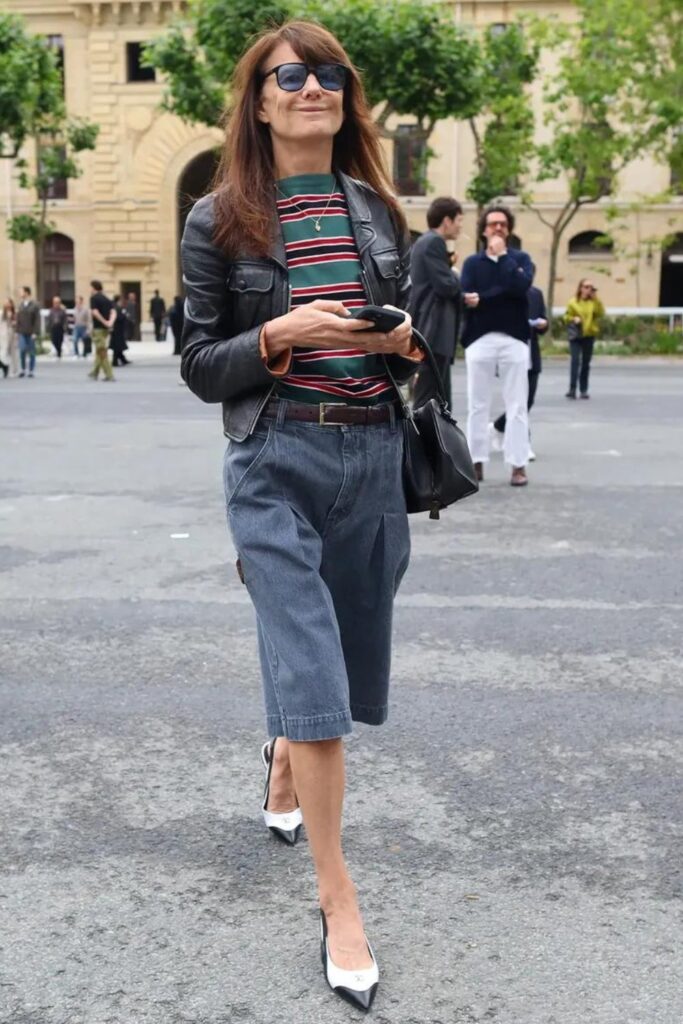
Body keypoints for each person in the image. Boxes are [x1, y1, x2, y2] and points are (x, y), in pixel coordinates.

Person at [180, 20, 422, 1011]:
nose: (312, 86)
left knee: (347, 675)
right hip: (273, 458)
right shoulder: (220, 218)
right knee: (320, 687)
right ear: (263, 99)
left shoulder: (376, 210)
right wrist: (277, 331)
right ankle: (339, 900)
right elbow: (202, 366)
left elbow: (411, 346)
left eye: (328, 74)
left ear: (342, 95)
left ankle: (283, 756)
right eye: (292, 75)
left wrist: (405, 345)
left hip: (370, 460)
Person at [460, 204, 534, 487]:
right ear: (483, 229)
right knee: (477, 403)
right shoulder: (472, 264)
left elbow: (521, 287)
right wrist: (494, 295)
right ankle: (476, 462)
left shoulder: (520, 259)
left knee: (517, 405)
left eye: (503, 224)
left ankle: (518, 464)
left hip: (514, 338)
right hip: (480, 339)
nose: (498, 228)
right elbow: (466, 294)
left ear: (510, 228)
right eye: (493, 224)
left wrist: (502, 257)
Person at [409, 196, 463, 408]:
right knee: (430, 402)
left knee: (436, 399)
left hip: (431, 331)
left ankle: (432, 441)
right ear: (447, 221)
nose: (460, 226)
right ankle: (421, 442)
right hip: (434, 331)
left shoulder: (425, 242)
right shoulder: (433, 242)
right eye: (459, 220)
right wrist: (454, 273)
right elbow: (447, 286)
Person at [490, 284, 548, 461]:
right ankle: (523, 444)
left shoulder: (536, 293)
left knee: (527, 400)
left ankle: (498, 427)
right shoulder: (504, 292)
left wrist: (543, 324)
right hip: (511, 354)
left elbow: (543, 320)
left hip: (531, 353)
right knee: (519, 402)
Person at [564, 278, 605, 399]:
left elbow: (601, 313)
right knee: (575, 361)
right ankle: (572, 388)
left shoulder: (594, 302)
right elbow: (566, 316)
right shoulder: (573, 302)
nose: (589, 289)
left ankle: (583, 389)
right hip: (576, 335)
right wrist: (573, 319)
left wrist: (596, 298)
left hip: (589, 335)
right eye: (586, 287)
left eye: (591, 287)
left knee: (586, 363)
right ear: (581, 288)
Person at [88, 281, 116, 381]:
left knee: (101, 351)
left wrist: (104, 321)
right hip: (105, 330)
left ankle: (109, 374)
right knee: (99, 350)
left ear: (94, 288)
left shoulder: (93, 298)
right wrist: (110, 322)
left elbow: (95, 312)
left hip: (98, 328)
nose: (90, 290)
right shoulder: (107, 299)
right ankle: (94, 372)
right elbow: (113, 312)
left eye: (90, 287)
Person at [15, 286, 41, 378]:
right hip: (22, 331)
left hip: (31, 332)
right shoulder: (20, 305)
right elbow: (18, 319)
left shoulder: (34, 305)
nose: (20, 293)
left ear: (26, 293)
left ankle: (31, 370)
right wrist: (17, 332)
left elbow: (37, 320)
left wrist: (35, 332)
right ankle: (23, 369)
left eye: (21, 291)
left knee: (31, 351)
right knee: (22, 350)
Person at [109, 295, 131, 366]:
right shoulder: (117, 308)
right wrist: (125, 316)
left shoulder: (115, 307)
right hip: (117, 330)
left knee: (118, 346)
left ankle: (122, 359)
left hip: (117, 329)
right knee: (117, 346)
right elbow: (119, 317)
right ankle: (115, 361)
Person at [0, 299, 17, 378]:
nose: (7, 305)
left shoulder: (15, 313)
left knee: (12, 353)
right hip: (3, 335)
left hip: (12, 335)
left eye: (8, 303)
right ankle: (4, 367)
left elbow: (18, 324)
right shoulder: (1, 313)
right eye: (5, 303)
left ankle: (11, 370)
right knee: (3, 353)